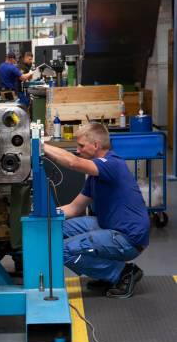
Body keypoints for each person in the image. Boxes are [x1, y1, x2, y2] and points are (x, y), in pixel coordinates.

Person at [43, 122, 149, 299]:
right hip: (109, 227)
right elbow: (74, 208)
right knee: (56, 230)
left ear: (96, 145)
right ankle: (104, 273)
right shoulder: (95, 176)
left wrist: (40, 145)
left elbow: (73, 161)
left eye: (81, 145)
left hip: (128, 238)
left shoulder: (112, 164)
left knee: (62, 250)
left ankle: (122, 273)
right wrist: (42, 216)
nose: (78, 150)